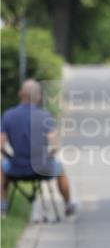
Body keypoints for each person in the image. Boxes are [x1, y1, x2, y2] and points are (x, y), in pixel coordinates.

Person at [1, 79, 76, 216]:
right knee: (60, 170)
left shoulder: (8, 116)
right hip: (41, 168)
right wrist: (47, 157)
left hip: (16, 167)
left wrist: (9, 157)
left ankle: (3, 207)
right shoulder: (44, 116)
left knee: (2, 168)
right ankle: (68, 204)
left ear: (20, 94)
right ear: (39, 96)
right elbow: (55, 146)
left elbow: (1, 144)